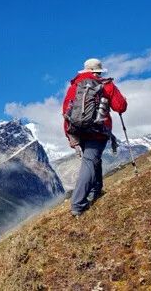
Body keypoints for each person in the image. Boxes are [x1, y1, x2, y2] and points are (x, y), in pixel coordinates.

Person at [62, 58, 127, 217]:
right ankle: (78, 204)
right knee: (90, 162)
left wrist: (70, 136)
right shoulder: (107, 85)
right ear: (98, 71)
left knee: (93, 159)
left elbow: (66, 111)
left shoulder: (75, 86)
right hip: (98, 130)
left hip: (79, 130)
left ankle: (96, 190)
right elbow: (120, 107)